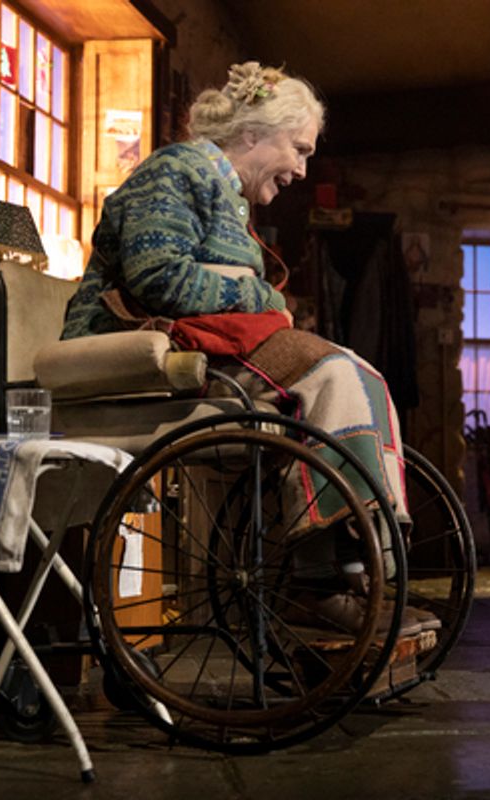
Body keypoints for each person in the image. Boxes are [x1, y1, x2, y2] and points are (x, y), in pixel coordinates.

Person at [61, 62, 433, 635]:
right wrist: (260, 294)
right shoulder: (175, 170)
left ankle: (356, 569)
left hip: (201, 346)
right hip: (137, 349)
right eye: (299, 149)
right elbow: (158, 277)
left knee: (360, 373)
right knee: (334, 376)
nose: (302, 169)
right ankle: (320, 584)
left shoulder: (227, 196)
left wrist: (256, 299)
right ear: (254, 133)